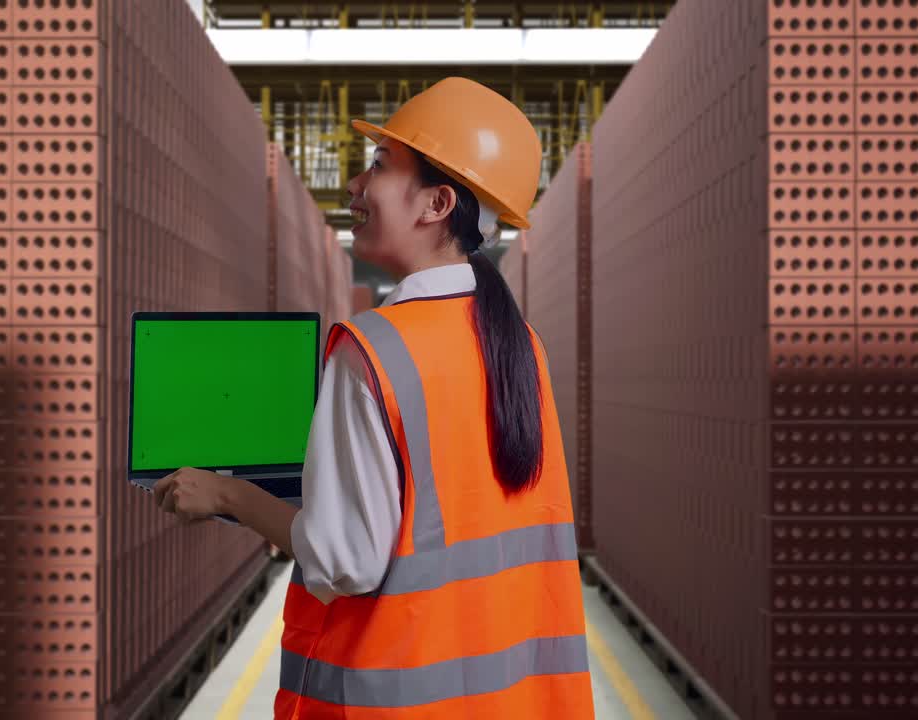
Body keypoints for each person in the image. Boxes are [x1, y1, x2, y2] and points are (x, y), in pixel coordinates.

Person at [153, 76, 593, 718]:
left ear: (437, 203)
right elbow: (441, 521)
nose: (355, 185)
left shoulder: (373, 350)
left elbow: (345, 561)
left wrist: (228, 495)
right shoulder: (521, 345)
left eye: (381, 166)